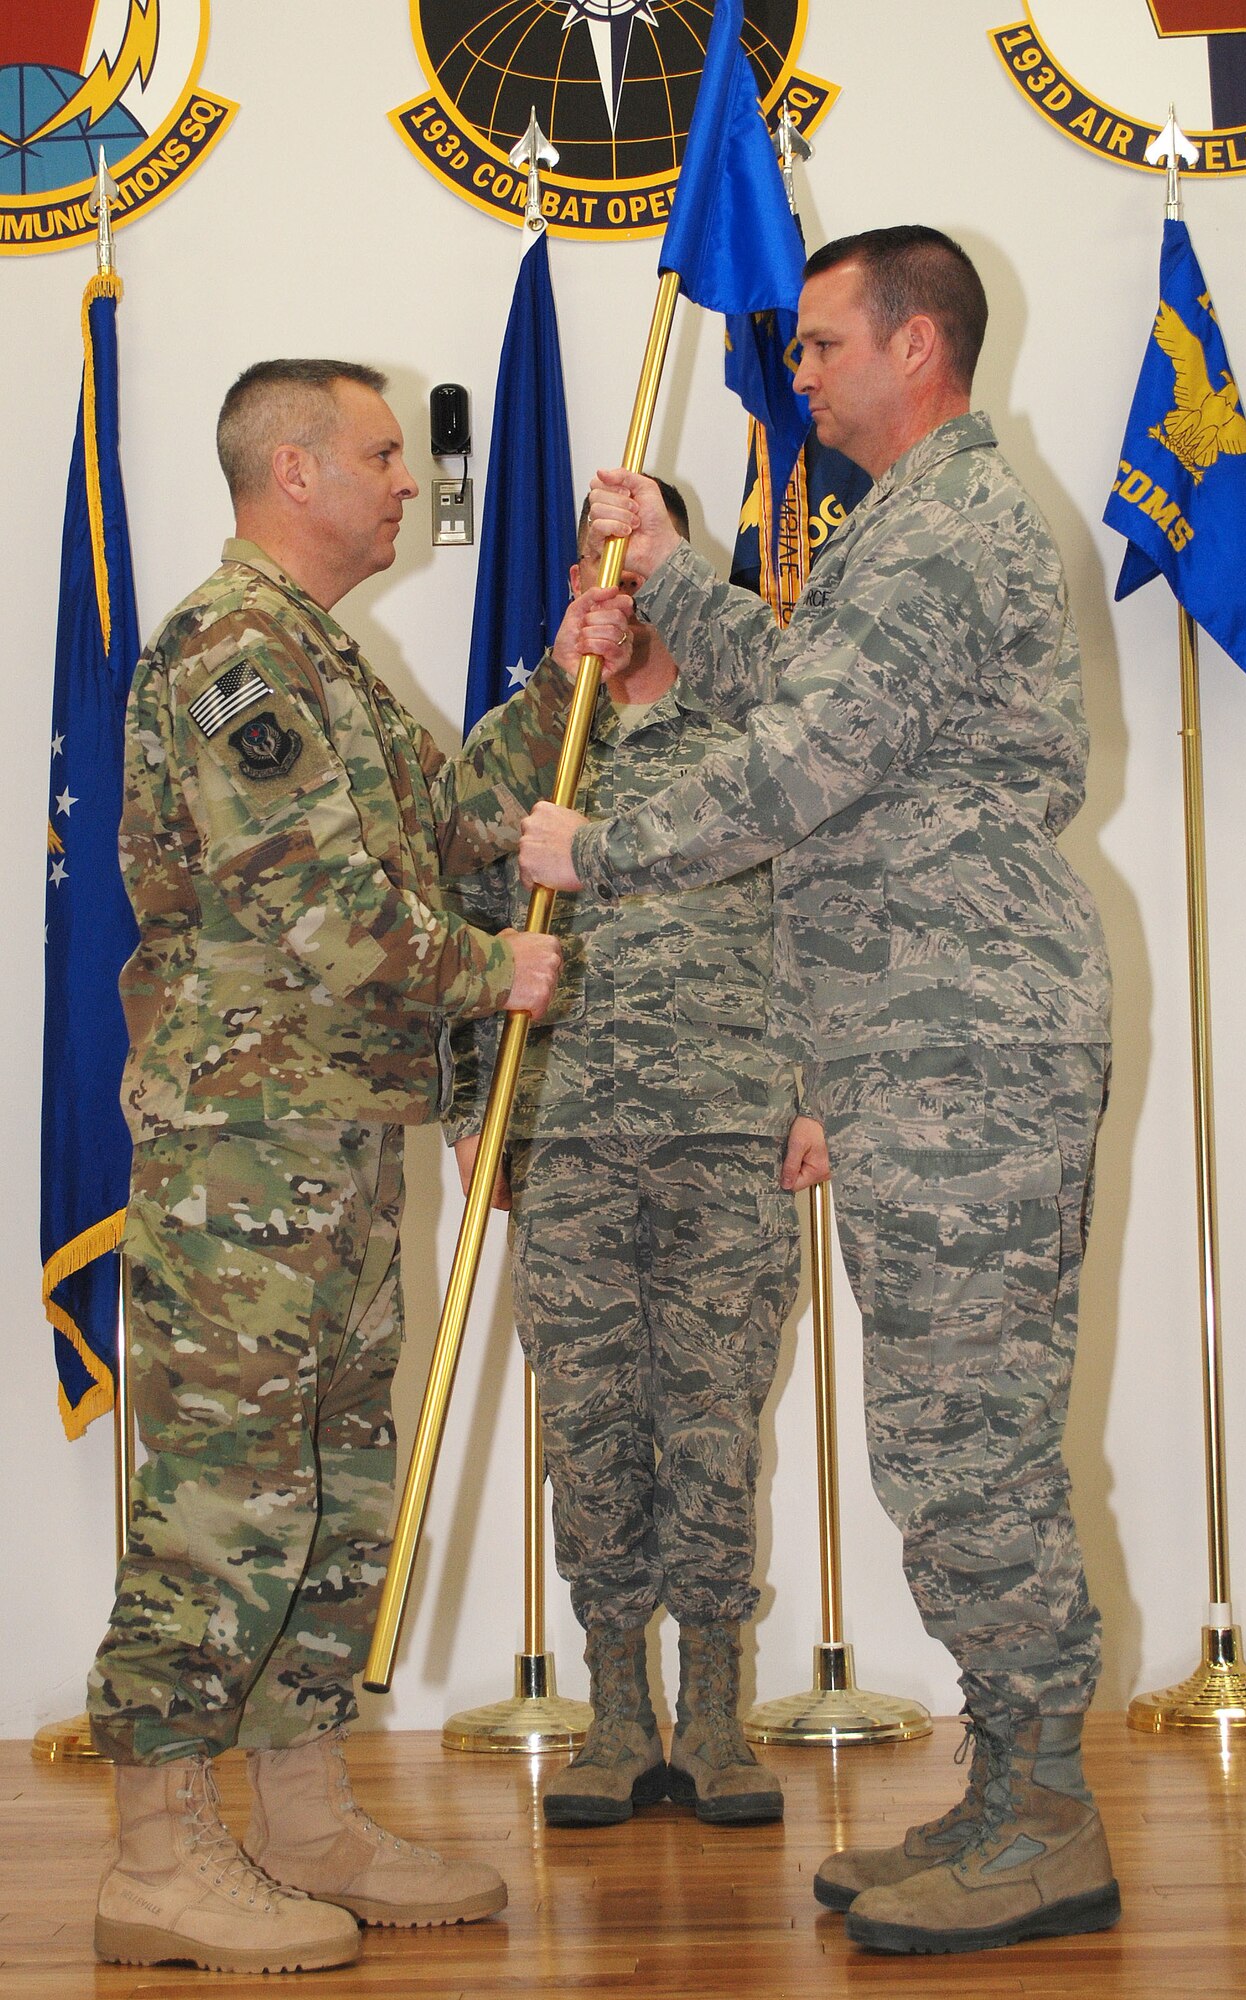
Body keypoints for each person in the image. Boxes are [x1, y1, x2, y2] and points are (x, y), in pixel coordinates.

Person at [518, 228, 1120, 1957]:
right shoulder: (906, 529)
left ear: (915, 349)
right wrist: (674, 576)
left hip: (964, 1047)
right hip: (926, 1047)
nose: (801, 373)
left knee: (968, 1438)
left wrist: (601, 847)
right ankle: (1015, 1789)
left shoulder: (944, 531)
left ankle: (1046, 1817)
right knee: (951, 1431)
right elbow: (801, 686)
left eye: (823, 346)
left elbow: (796, 765)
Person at [88, 359, 567, 1975]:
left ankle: (301, 1815)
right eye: (377, 453)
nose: (404, 481)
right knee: (224, 1501)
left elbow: (453, 820)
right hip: (246, 1157)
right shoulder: (232, 652)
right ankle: (157, 1855)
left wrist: (570, 674)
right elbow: (322, 908)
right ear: (292, 470)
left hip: (337, 1148)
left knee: (337, 1494)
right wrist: (488, 970)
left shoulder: (322, 662)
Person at [446, 483, 828, 1830]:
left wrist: (819, 1090)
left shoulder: (750, 736)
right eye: (587, 567)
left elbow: (823, 916)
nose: (608, 587)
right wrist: (464, 1120)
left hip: (730, 1129)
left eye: (633, 559)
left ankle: (716, 1715)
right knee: (592, 1429)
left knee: (715, 1427)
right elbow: (457, 904)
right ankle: (618, 1713)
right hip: (563, 1140)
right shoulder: (530, 747)